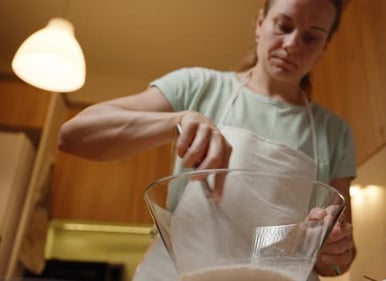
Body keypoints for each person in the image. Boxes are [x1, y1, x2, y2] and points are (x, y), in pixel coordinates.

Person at [57, 0, 357, 280]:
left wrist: (333, 245)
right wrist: (176, 121)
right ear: (260, 23)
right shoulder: (198, 87)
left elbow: (337, 264)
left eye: (311, 37)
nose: (292, 44)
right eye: (283, 25)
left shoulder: (334, 132)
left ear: (324, 48)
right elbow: (73, 136)